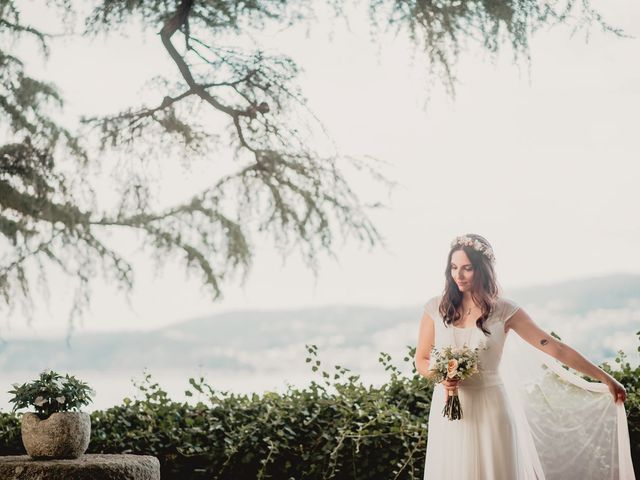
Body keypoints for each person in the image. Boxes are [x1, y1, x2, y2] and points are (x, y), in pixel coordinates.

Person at [414, 233, 635, 480]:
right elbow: (421, 359)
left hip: (491, 407)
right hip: (448, 409)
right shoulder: (436, 308)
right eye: (454, 267)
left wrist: (606, 378)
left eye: (467, 268)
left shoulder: (505, 310)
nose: (459, 275)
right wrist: (440, 376)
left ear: (483, 269)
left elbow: (554, 347)